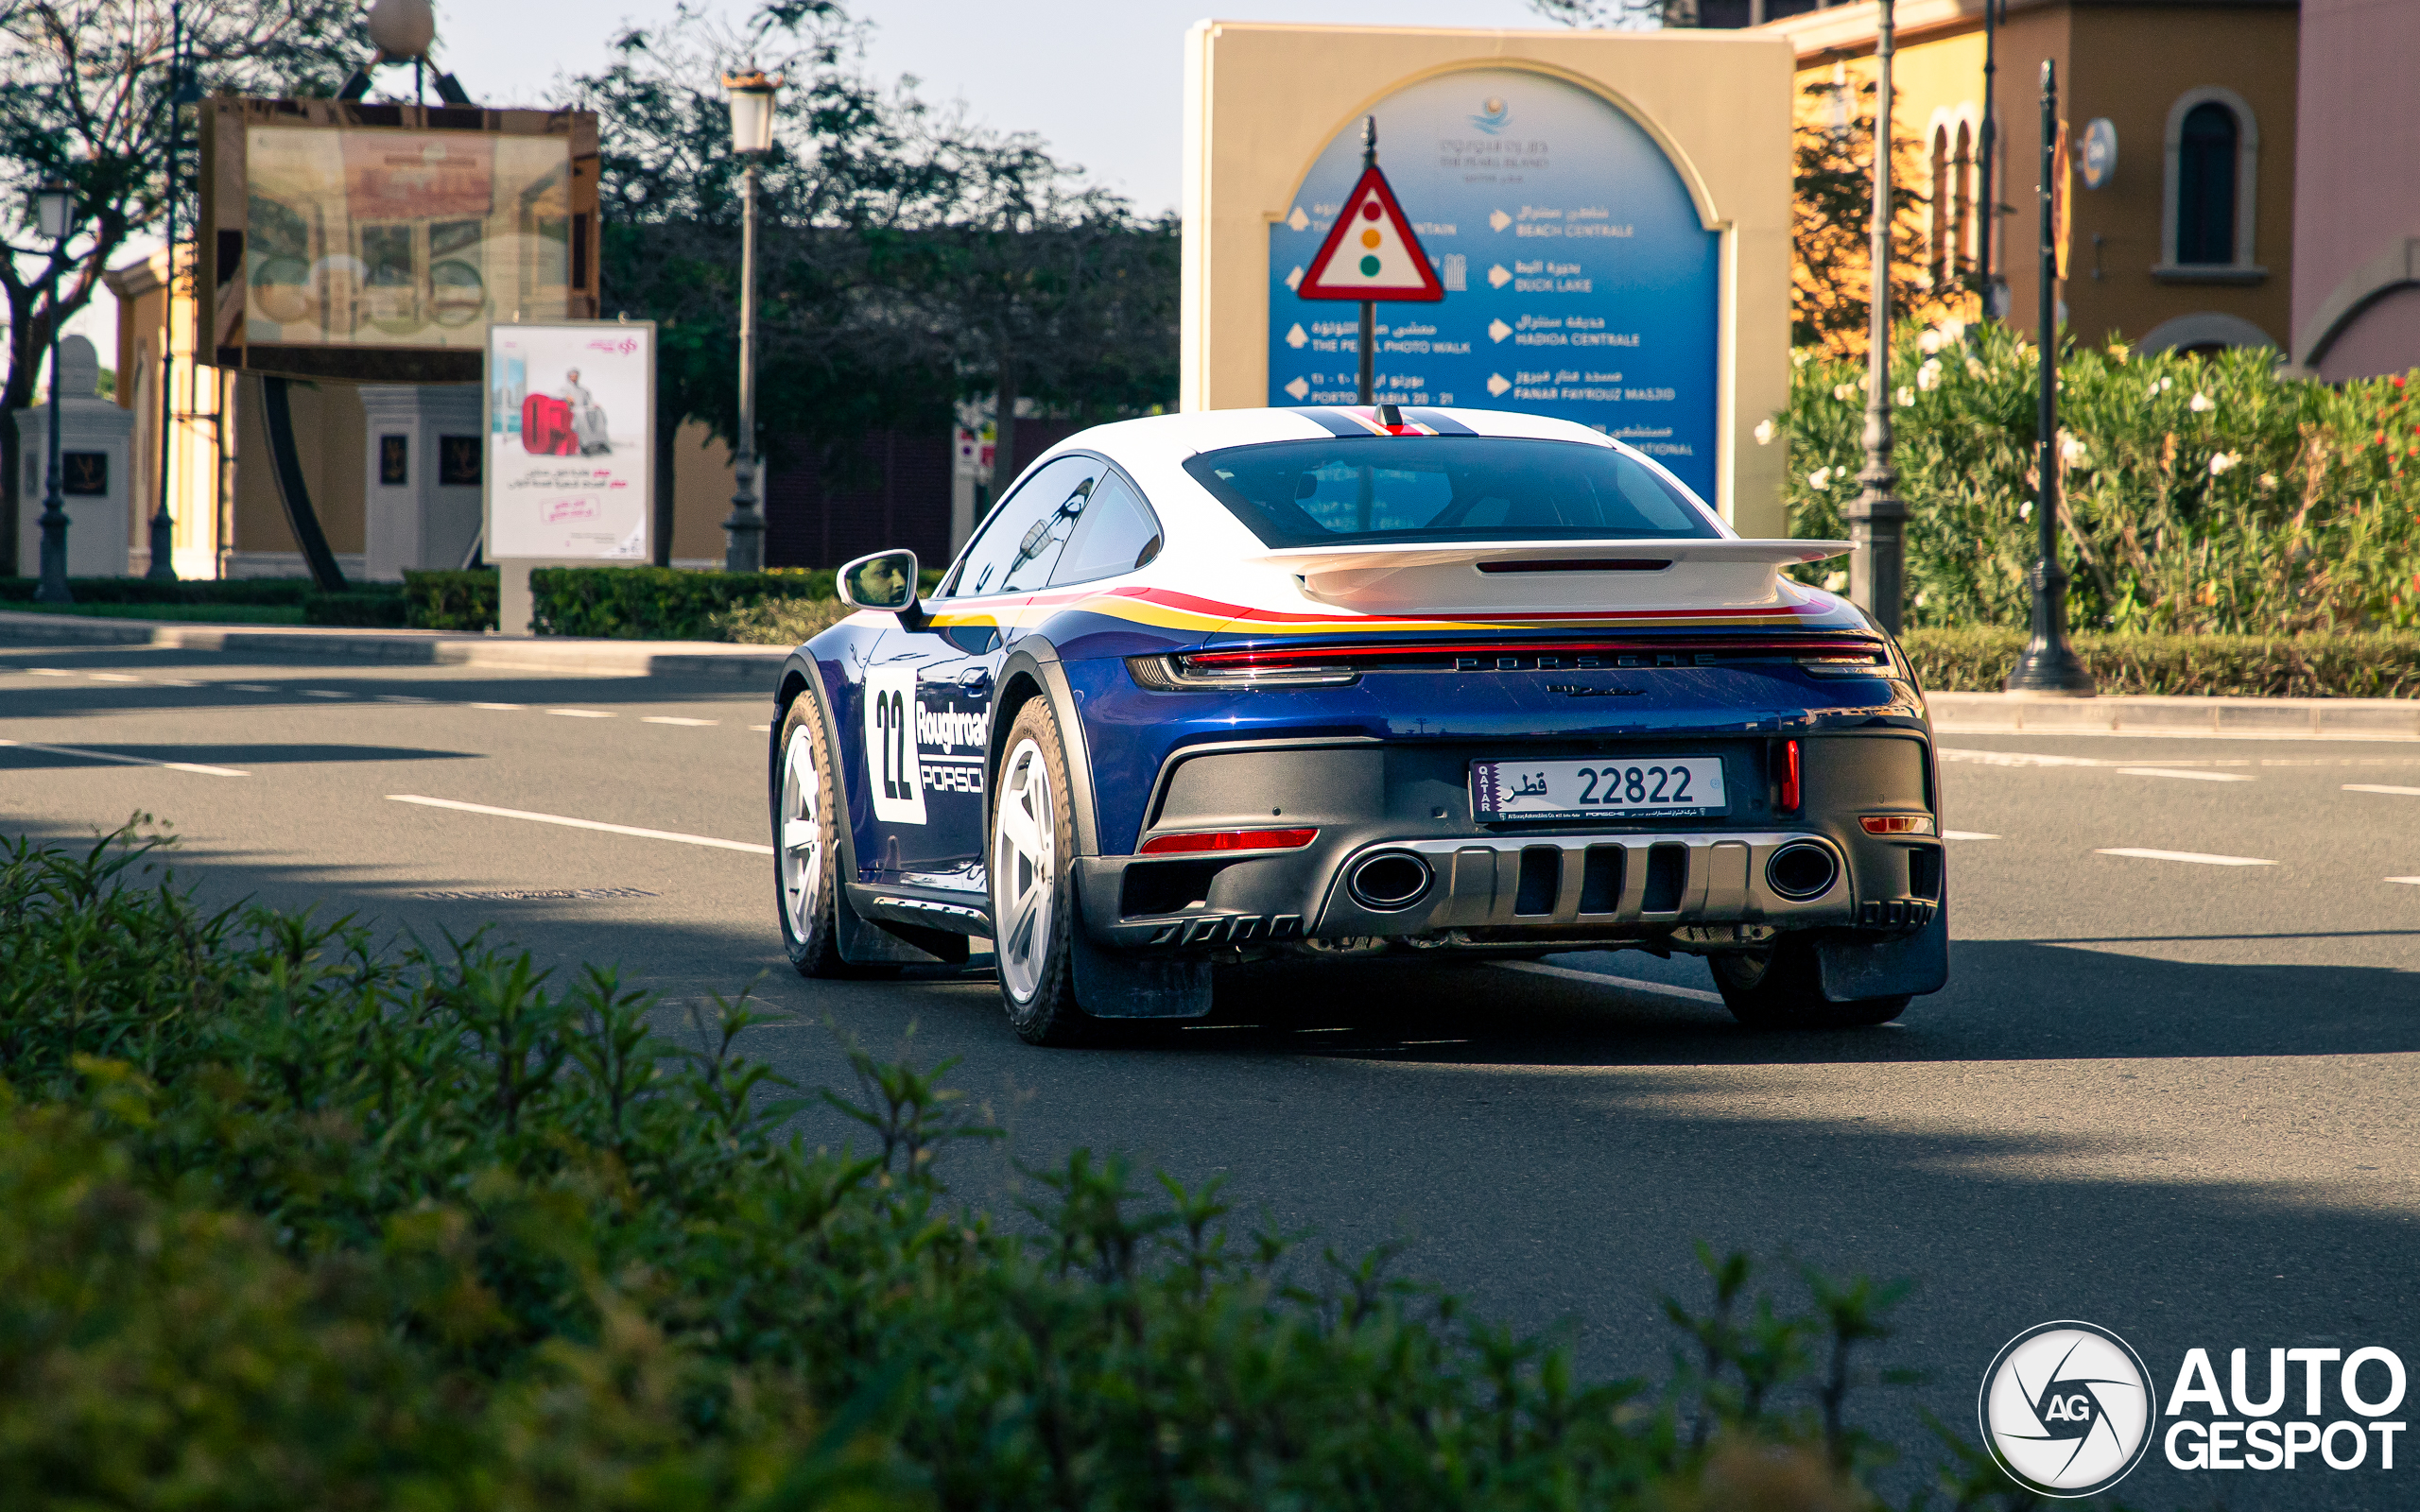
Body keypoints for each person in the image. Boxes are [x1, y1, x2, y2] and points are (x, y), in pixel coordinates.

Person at [563, 367, 612, 455]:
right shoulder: (564, 388)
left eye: (576, 376)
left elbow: (589, 402)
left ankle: (601, 442)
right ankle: (584, 445)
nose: (574, 378)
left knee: (598, 412)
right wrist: (566, 397)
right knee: (582, 414)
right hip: (573, 411)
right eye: (572, 376)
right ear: (569, 377)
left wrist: (594, 405)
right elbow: (556, 396)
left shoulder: (583, 390)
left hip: (584, 409)